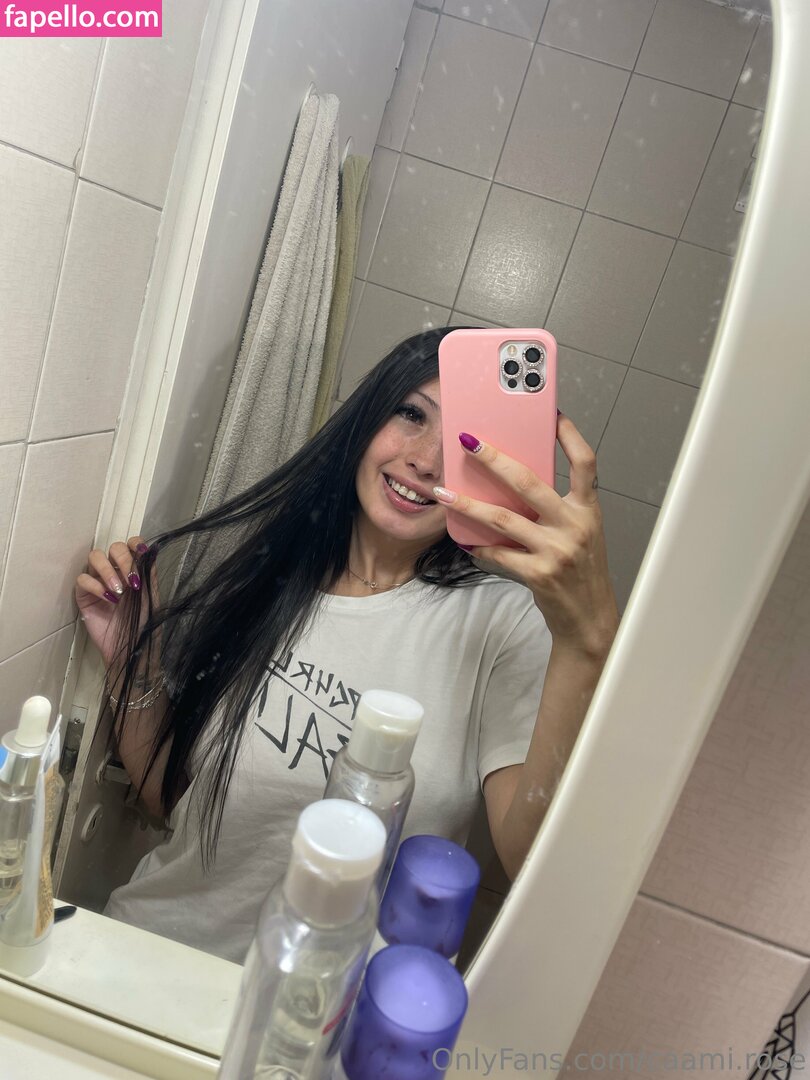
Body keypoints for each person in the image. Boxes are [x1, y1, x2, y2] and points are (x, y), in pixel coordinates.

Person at [74, 328, 619, 963]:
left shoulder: (505, 623)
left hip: (322, 1008)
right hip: (147, 957)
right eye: (411, 413)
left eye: (464, 442)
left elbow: (529, 862)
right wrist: (133, 660)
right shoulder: (270, 574)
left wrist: (586, 643)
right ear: (366, 418)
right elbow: (172, 804)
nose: (427, 461)